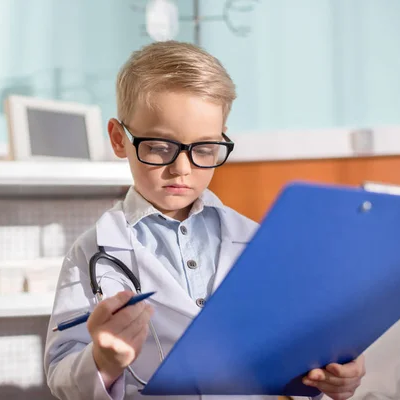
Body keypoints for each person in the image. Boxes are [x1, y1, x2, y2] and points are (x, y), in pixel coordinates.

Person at [43, 41, 366, 400]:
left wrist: (334, 374)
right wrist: (102, 360)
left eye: (204, 149)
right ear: (120, 139)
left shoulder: (255, 240)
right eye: (159, 146)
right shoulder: (90, 252)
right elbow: (61, 372)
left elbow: (295, 346)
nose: (182, 169)